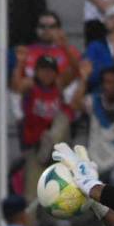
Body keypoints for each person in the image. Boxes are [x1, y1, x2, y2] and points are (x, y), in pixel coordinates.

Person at [69, 59, 114, 188]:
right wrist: (84, 78)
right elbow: (74, 104)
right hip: (97, 162)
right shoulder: (93, 101)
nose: (111, 86)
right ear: (102, 85)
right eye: (108, 82)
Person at [20, 55, 72, 202]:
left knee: (63, 117)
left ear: (55, 74)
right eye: (43, 70)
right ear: (36, 72)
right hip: (35, 146)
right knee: (31, 195)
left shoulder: (59, 91)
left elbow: (74, 73)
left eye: (50, 71)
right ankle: (29, 224)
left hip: (56, 146)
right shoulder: (30, 89)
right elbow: (17, 85)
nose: (47, 74)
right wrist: (20, 64)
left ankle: (59, 220)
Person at [12, 10, 80, 91]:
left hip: (62, 93)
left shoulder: (70, 50)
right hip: (32, 93)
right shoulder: (26, 51)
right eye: (42, 26)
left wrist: (65, 47)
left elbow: (77, 72)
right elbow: (16, 88)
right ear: (36, 29)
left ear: (59, 29)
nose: (47, 30)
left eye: (52, 26)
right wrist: (19, 63)